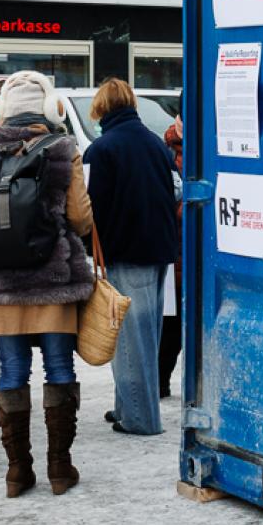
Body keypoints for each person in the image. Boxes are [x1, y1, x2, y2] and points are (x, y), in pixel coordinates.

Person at [0, 70, 95, 497]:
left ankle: (18, 472)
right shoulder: (61, 147)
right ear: (50, 109)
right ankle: (59, 468)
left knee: (12, 370)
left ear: (0, 112)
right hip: (53, 280)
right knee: (58, 367)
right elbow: (80, 217)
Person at [83, 78, 181, 436]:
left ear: (101, 108)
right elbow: (175, 192)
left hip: (125, 252)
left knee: (129, 338)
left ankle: (140, 418)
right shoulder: (157, 144)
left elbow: (90, 208)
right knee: (147, 335)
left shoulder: (102, 150)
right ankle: (127, 406)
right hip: (160, 251)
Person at [160, 116, 186, 399]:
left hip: (186, 250)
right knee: (172, 323)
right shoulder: (167, 151)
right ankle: (160, 381)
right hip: (176, 250)